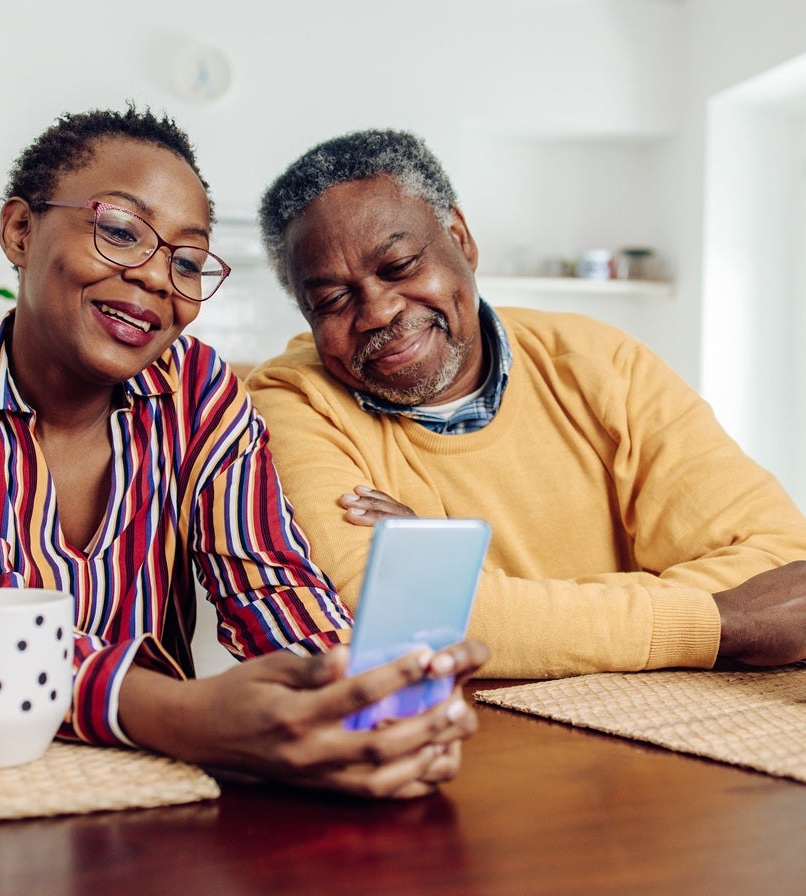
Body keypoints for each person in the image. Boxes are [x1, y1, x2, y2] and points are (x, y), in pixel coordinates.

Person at [0, 107, 486, 799]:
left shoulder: (199, 392)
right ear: (20, 230)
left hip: (130, 777)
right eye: (119, 231)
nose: (155, 279)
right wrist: (187, 716)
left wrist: (359, 697)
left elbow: (271, 586)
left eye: (188, 261)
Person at [246, 127, 806, 680]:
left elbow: (785, 569)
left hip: (673, 726)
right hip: (471, 743)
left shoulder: (601, 360)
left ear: (460, 237)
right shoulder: (291, 404)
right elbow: (389, 625)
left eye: (400, 267)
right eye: (332, 299)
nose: (378, 312)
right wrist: (720, 622)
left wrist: (475, 594)